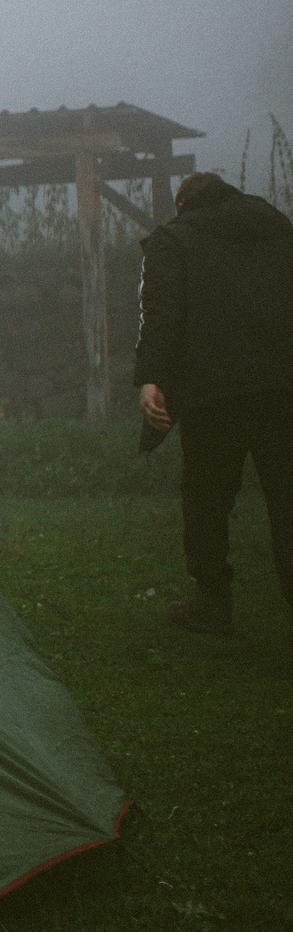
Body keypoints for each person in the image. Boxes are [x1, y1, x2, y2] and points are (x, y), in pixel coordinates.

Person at [134, 170, 293, 639]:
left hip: (213, 393)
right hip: (284, 387)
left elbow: (163, 315)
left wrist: (151, 379)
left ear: (184, 204)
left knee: (206, 499)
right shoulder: (279, 231)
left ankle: (212, 605)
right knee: (288, 499)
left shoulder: (174, 240)